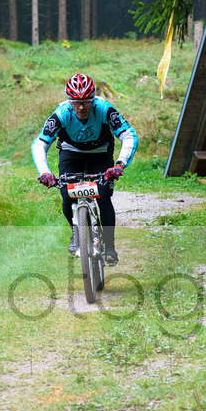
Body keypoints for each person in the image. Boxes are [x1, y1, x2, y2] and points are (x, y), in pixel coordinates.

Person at [32, 73, 138, 266]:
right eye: (76, 102)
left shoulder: (104, 109)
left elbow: (128, 134)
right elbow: (40, 143)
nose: (81, 107)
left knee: (103, 195)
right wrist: (45, 172)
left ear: (93, 99)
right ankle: (76, 231)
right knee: (66, 194)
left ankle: (110, 248)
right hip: (71, 153)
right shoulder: (62, 113)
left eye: (86, 102)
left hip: (100, 152)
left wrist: (119, 164)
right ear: (69, 100)